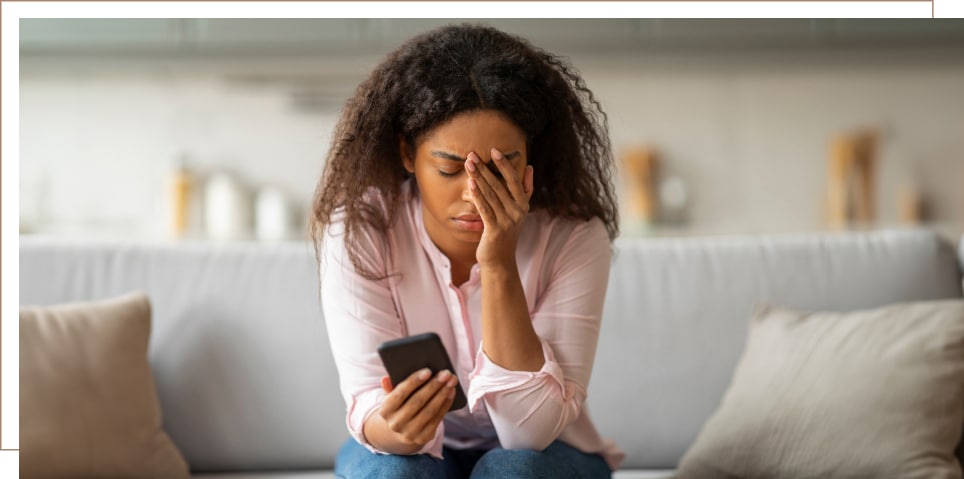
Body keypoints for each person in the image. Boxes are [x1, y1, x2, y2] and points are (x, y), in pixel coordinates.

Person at [311, 23, 624, 478]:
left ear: (530, 155)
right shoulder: (362, 231)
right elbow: (368, 405)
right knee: (396, 473)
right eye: (450, 169)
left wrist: (498, 264)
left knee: (511, 470)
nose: (475, 194)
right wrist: (397, 428)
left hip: (545, 453)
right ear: (407, 155)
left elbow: (529, 434)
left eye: (502, 166)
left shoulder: (572, 236)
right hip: (414, 453)